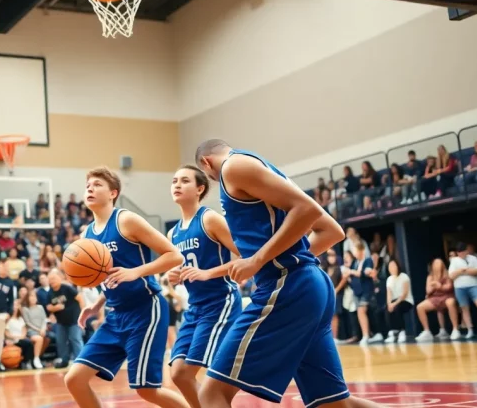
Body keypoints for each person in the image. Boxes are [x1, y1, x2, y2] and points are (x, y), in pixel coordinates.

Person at [194, 140, 381, 408]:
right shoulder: (264, 171)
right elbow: (331, 231)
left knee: (212, 393)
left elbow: (310, 211)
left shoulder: (233, 166)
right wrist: (274, 260)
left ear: (206, 163)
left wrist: (258, 260)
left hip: (288, 285)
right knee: (333, 404)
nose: (216, 181)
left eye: (210, 178)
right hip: (308, 284)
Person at [64, 167, 188, 408]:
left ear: (113, 193)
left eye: (97, 184)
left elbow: (175, 256)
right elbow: (108, 277)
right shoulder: (86, 235)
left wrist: (135, 272)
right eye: (88, 185)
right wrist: (96, 304)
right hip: (116, 315)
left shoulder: (126, 220)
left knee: (147, 390)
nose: (90, 188)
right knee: (74, 379)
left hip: (146, 309)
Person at [166, 165, 242, 408]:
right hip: (195, 308)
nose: (177, 185)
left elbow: (246, 256)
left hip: (221, 301)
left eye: (185, 181)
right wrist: (173, 275)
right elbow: (182, 269)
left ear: (200, 189)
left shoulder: (209, 218)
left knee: (201, 375)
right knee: (178, 374)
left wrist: (208, 273)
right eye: (175, 180)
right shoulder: (173, 233)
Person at [46, 268, 83, 369]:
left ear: (59, 278)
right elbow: (48, 307)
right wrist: (56, 308)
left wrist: (83, 314)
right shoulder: (50, 292)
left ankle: (81, 361)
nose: (52, 281)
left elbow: (80, 298)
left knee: (75, 339)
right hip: (61, 321)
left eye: (53, 278)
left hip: (74, 319)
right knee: (61, 341)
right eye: (50, 279)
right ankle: (64, 360)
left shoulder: (67, 288)